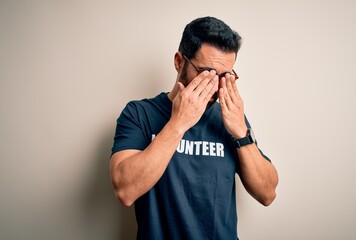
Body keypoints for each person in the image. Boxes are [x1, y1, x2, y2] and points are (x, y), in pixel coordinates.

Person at [110, 16, 278, 240]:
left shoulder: (231, 118)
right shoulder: (139, 114)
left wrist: (241, 133)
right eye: (206, 73)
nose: (215, 86)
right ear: (179, 62)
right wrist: (178, 123)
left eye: (225, 76)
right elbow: (125, 190)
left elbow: (267, 194)